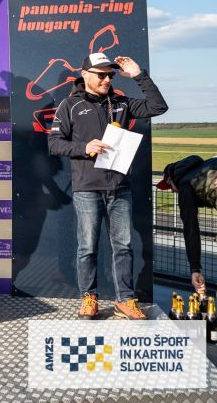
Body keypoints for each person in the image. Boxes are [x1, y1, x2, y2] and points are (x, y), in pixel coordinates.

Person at [48, 52, 168, 319]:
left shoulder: (121, 103)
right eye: (101, 75)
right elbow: (54, 144)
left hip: (120, 187)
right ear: (85, 75)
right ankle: (88, 297)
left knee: (123, 246)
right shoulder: (70, 105)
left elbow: (159, 107)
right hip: (87, 188)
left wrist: (139, 76)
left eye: (110, 75)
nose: (107, 79)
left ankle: (125, 300)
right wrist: (84, 147)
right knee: (87, 247)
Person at [157, 155, 217, 294]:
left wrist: (195, 269)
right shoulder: (206, 165)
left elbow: (191, 230)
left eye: (170, 187)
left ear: (170, 180)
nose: (172, 191)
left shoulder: (185, 187)